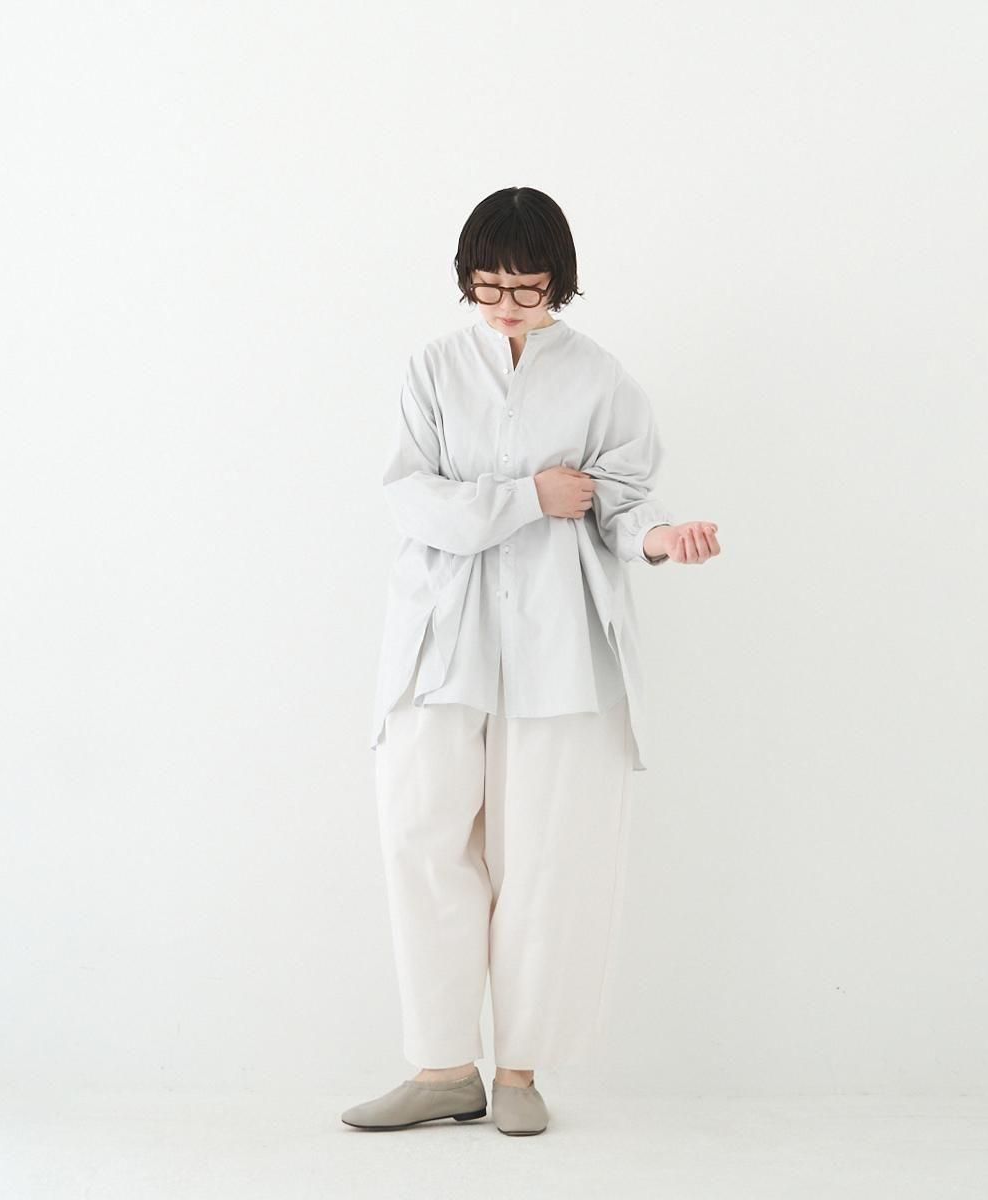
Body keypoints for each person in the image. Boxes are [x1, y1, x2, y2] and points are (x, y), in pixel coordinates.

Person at [342, 187, 720, 1136]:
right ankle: (443, 1068)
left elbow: (622, 503)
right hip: (443, 641)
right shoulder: (433, 369)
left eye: (527, 288)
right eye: (487, 287)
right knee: (420, 839)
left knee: (547, 857)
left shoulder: (601, 380)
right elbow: (412, 497)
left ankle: (517, 1072)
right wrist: (526, 497)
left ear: (562, 282)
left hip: (560, 648)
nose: (506, 306)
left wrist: (661, 539)